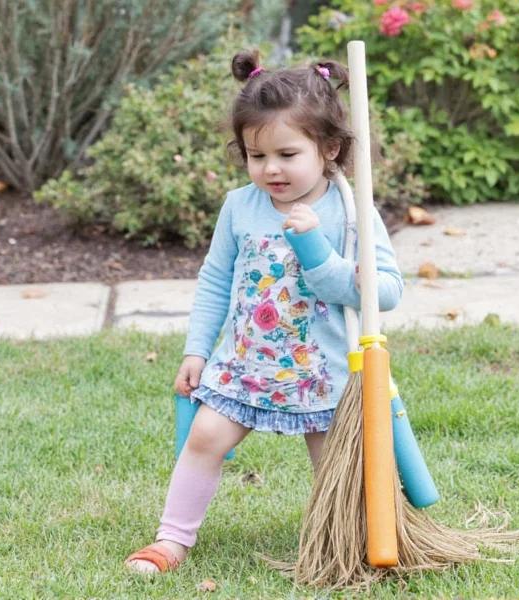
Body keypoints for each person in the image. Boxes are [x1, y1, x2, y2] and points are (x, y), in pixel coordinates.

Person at [124, 48, 404, 573]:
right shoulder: (240, 207)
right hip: (245, 363)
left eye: (287, 154)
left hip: (324, 371)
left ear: (329, 148)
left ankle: (344, 542)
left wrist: (321, 253)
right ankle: (171, 540)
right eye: (257, 156)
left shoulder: (349, 212)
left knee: (335, 465)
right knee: (205, 437)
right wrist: (196, 349)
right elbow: (214, 281)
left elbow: (385, 291)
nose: (270, 168)